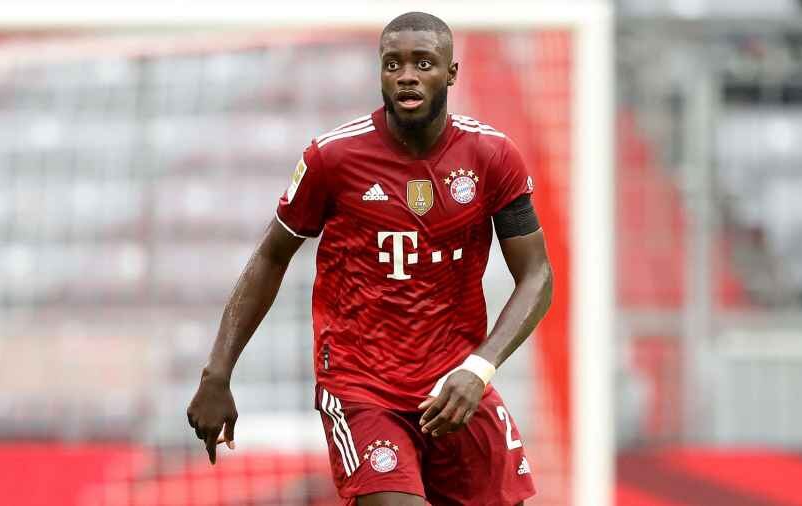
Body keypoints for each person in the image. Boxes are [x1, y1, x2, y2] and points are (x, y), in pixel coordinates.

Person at [187, 11, 553, 506]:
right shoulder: (333, 158)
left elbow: (536, 274)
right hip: (363, 387)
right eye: (393, 64)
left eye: (423, 63)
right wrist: (217, 373)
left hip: (455, 384)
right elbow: (271, 257)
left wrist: (480, 367)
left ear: (451, 73)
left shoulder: (492, 157)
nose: (407, 75)